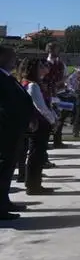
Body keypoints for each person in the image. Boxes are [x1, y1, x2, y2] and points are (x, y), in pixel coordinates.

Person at [0, 46, 33, 219]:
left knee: (8, 168)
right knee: (3, 168)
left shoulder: (8, 77)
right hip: (5, 131)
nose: (15, 60)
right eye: (11, 57)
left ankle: (4, 201)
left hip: (15, 130)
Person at [19, 58, 56, 195]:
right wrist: (53, 120)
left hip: (37, 122)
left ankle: (34, 183)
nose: (43, 68)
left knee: (36, 154)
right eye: (40, 66)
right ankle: (33, 185)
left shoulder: (29, 83)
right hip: (39, 123)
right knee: (36, 154)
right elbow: (41, 107)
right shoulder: (33, 85)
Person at [44, 42, 67, 149]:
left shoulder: (60, 64)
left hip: (59, 93)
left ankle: (58, 140)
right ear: (50, 50)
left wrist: (65, 82)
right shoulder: (45, 63)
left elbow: (64, 76)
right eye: (56, 50)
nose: (58, 52)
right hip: (49, 94)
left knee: (60, 117)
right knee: (49, 117)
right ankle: (46, 141)